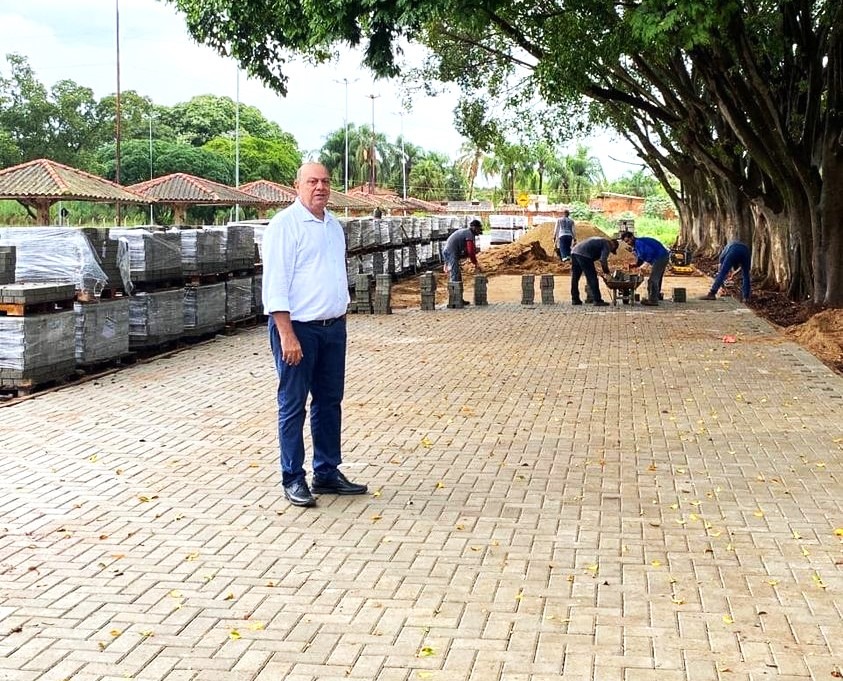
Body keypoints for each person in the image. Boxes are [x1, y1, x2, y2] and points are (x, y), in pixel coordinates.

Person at [262, 162, 368, 508]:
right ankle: (293, 477)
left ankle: (326, 472)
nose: (320, 187)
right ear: (297, 185)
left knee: (329, 402)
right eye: (312, 181)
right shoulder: (285, 226)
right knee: (293, 405)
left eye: (324, 181)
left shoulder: (333, 226)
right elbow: (275, 284)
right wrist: (286, 334)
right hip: (298, 330)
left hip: (332, 328)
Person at [619, 231, 670, 306]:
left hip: (660, 257)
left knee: (652, 280)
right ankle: (656, 296)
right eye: (626, 242)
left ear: (632, 237)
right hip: (661, 257)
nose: (628, 243)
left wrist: (645, 265)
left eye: (628, 241)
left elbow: (649, 253)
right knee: (657, 278)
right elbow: (641, 257)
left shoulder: (639, 243)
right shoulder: (637, 245)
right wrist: (636, 265)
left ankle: (653, 300)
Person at [442, 219, 484, 302]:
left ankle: (459, 299)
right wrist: (476, 263)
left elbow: (467, 252)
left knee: (457, 275)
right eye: (479, 229)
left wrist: (446, 263)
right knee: (455, 276)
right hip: (451, 252)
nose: (479, 231)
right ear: (474, 228)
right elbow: (471, 251)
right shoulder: (469, 234)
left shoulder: (466, 232)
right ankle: (455, 300)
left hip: (449, 252)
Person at [570, 236, 619, 306]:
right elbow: (603, 260)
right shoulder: (607, 245)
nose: (610, 251)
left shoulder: (600, 240)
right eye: (612, 250)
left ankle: (575, 299)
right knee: (592, 278)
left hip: (575, 252)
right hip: (584, 255)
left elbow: (594, 256)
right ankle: (597, 300)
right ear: (613, 245)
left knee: (575, 277)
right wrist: (607, 272)